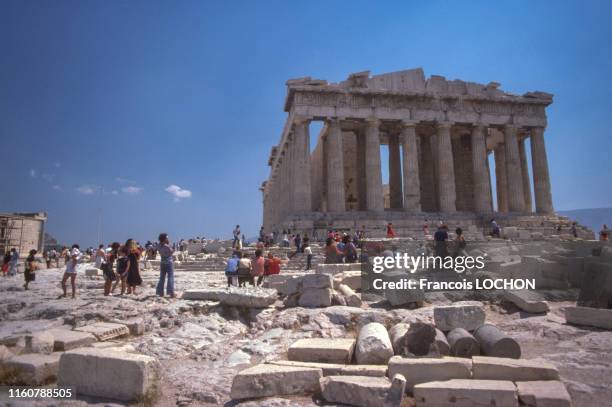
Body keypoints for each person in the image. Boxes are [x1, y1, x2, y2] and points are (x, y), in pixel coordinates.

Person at [156, 233, 175, 298]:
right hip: (169, 262)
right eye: (167, 237)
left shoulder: (158, 245)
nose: (168, 238)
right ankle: (170, 292)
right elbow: (172, 251)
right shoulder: (167, 246)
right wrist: (169, 244)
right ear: (164, 238)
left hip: (162, 262)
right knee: (170, 277)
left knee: (162, 277)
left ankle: (159, 292)